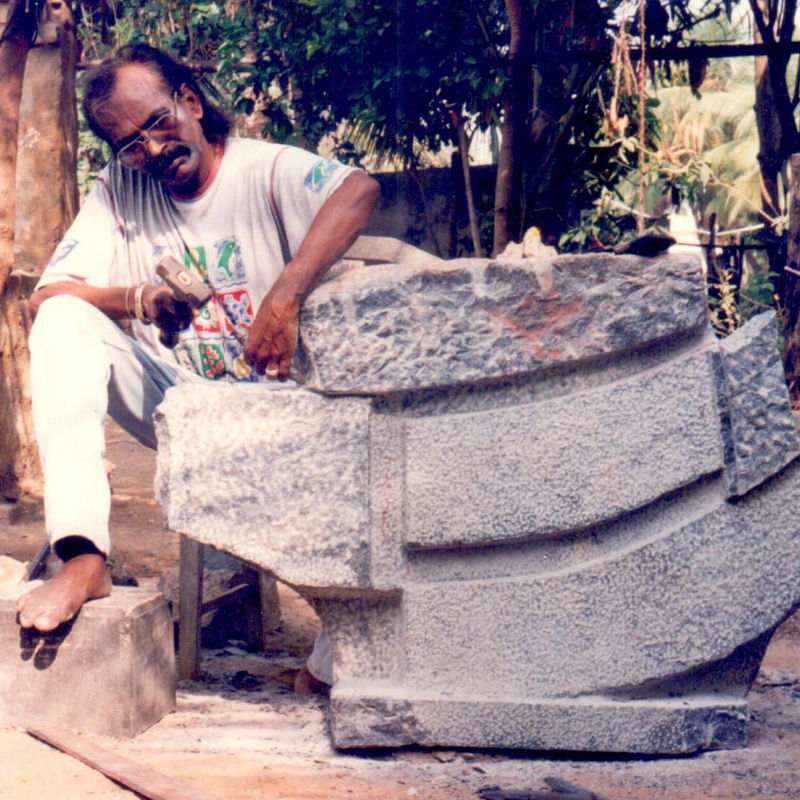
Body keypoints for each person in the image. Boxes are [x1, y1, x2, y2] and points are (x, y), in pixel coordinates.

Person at [15, 41, 380, 681]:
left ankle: (333, 639)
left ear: (188, 101)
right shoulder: (122, 188)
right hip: (182, 405)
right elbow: (49, 292)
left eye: (158, 123)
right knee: (62, 319)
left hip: (284, 416)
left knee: (345, 664)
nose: (152, 150)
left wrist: (284, 297)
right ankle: (82, 553)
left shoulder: (262, 169)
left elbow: (358, 189)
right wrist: (137, 299)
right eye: (130, 144)